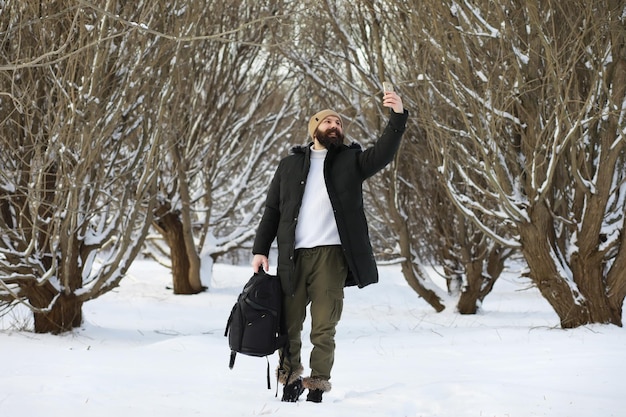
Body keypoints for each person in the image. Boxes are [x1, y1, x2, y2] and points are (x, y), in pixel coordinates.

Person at [252, 89, 408, 403]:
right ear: (315, 129)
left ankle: (318, 385)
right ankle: (290, 379)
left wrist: (398, 118)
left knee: (325, 324)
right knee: (288, 323)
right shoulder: (289, 166)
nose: (335, 125)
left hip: (332, 257)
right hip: (293, 257)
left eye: (338, 122)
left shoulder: (352, 160)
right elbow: (272, 210)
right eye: (328, 122)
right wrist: (260, 249)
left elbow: (384, 153)